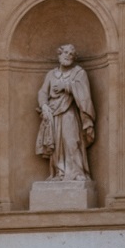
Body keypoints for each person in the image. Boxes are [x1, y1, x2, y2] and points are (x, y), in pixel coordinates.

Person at [36, 45, 96, 186]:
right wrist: (44, 105)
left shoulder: (78, 72)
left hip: (69, 112)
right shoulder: (51, 74)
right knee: (56, 144)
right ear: (59, 54)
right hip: (53, 113)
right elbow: (43, 92)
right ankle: (59, 173)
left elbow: (84, 93)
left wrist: (67, 87)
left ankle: (76, 172)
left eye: (71, 54)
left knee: (71, 141)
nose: (68, 55)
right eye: (66, 52)